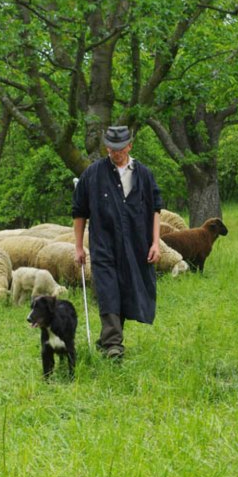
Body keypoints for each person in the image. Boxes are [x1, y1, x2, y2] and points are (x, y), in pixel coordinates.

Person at [71, 125, 162, 359]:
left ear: (129, 146)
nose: (115, 153)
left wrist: (155, 243)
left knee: (127, 289)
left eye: (120, 149)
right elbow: (79, 212)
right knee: (108, 290)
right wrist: (78, 246)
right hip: (103, 245)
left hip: (135, 244)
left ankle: (107, 339)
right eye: (111, 149)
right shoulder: (93, 174)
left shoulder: (143, 174)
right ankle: (114, 345)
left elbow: (155, 209)